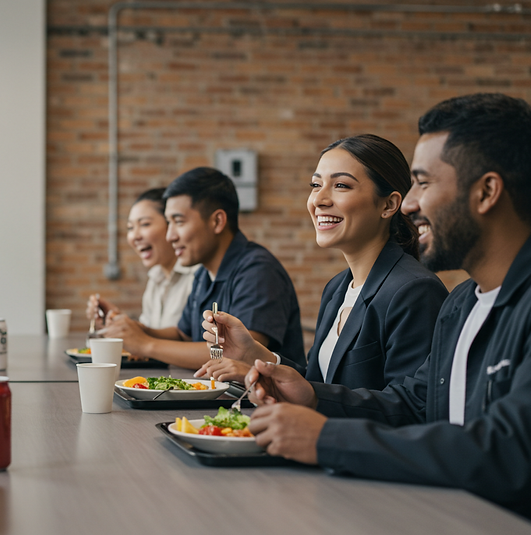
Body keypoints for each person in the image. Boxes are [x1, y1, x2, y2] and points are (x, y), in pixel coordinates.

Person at [215, 93, 531, 518]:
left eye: (424, 182)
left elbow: (508, 450)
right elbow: (413, 405)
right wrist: (311, 395)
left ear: (487, 191)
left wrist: (326, 438)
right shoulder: (461, 304)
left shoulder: (429, 291)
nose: (412, 203)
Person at [198, 135, 447, 389]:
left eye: (341, 186)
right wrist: (253, 354)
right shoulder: (337, 288)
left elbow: (408, 410)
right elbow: (318, 384)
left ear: (389, 204)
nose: (318, 200)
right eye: (316, 185)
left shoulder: (415, 291)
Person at [98, 168, 305, 371]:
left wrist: (145, 344)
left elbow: (242, 353)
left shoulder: (258, 270)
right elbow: (183, 335)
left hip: (258, 403)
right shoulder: (203, 273)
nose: (170, 236)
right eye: (168, 223)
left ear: (217, 221)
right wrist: (137, 330)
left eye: (178, 222)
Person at [87, 188, 200, 331]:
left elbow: (198, 344)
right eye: (130, 227)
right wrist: (115, 318)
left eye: (145, 224)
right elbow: (149, 336)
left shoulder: (199, 276)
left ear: (172, 225)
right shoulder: (155, 277)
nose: (135, 236)